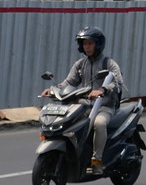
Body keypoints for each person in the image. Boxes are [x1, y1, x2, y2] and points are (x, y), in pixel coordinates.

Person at [40, 27, 125, 174]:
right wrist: (53, 89)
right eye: (84, 44)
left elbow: (117, 82)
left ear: (98, 44)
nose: (87, 47)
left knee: (99, 124)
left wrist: (102, 90)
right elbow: (69, 82)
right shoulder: (80, 64)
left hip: (104, 106)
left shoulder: (109, 63)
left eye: (90, 43)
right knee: (69, 123)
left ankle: (97, 161)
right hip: (85, 105)